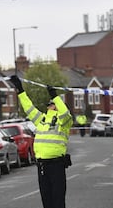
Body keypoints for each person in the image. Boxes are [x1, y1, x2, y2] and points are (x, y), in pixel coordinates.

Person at [10, 75, 73, 208]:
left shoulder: (64, 121)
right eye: (49, 104)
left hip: (56, 165)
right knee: (47, 202)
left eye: (51, 104)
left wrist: (56, 96)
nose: (48, 106)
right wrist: (20, 90)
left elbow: (65, 113)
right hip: (42, 166)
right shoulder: (42, 120)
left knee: (58, 201)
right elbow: (29, 108)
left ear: (56, 106)